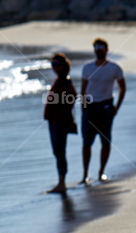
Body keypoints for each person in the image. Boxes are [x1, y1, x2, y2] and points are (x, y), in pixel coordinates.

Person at [80, 38, 126, 184]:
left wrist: (117, 107)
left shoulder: (114, 68)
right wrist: (83, 107)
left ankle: (101, 172)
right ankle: (85, 174)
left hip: (106, 107)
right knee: (87, 143)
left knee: (105, 141)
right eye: (96, 47)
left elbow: (122, 87)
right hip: (90, 108)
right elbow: (83, 89)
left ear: (106, 49)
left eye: (101, 47)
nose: (98, 50)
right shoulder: (87, 68)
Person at [44, 53, 78, 194]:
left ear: (64, 65)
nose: (54, 67)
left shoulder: (65, 81)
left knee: (59, 152)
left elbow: (73, 97)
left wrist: (60, 116)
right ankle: (61, 181)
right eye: (53, 64)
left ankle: (62, 183)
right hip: (55, 121)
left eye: (57, 64)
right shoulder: (59, 80)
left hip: (60, 122)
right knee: (58, 152)